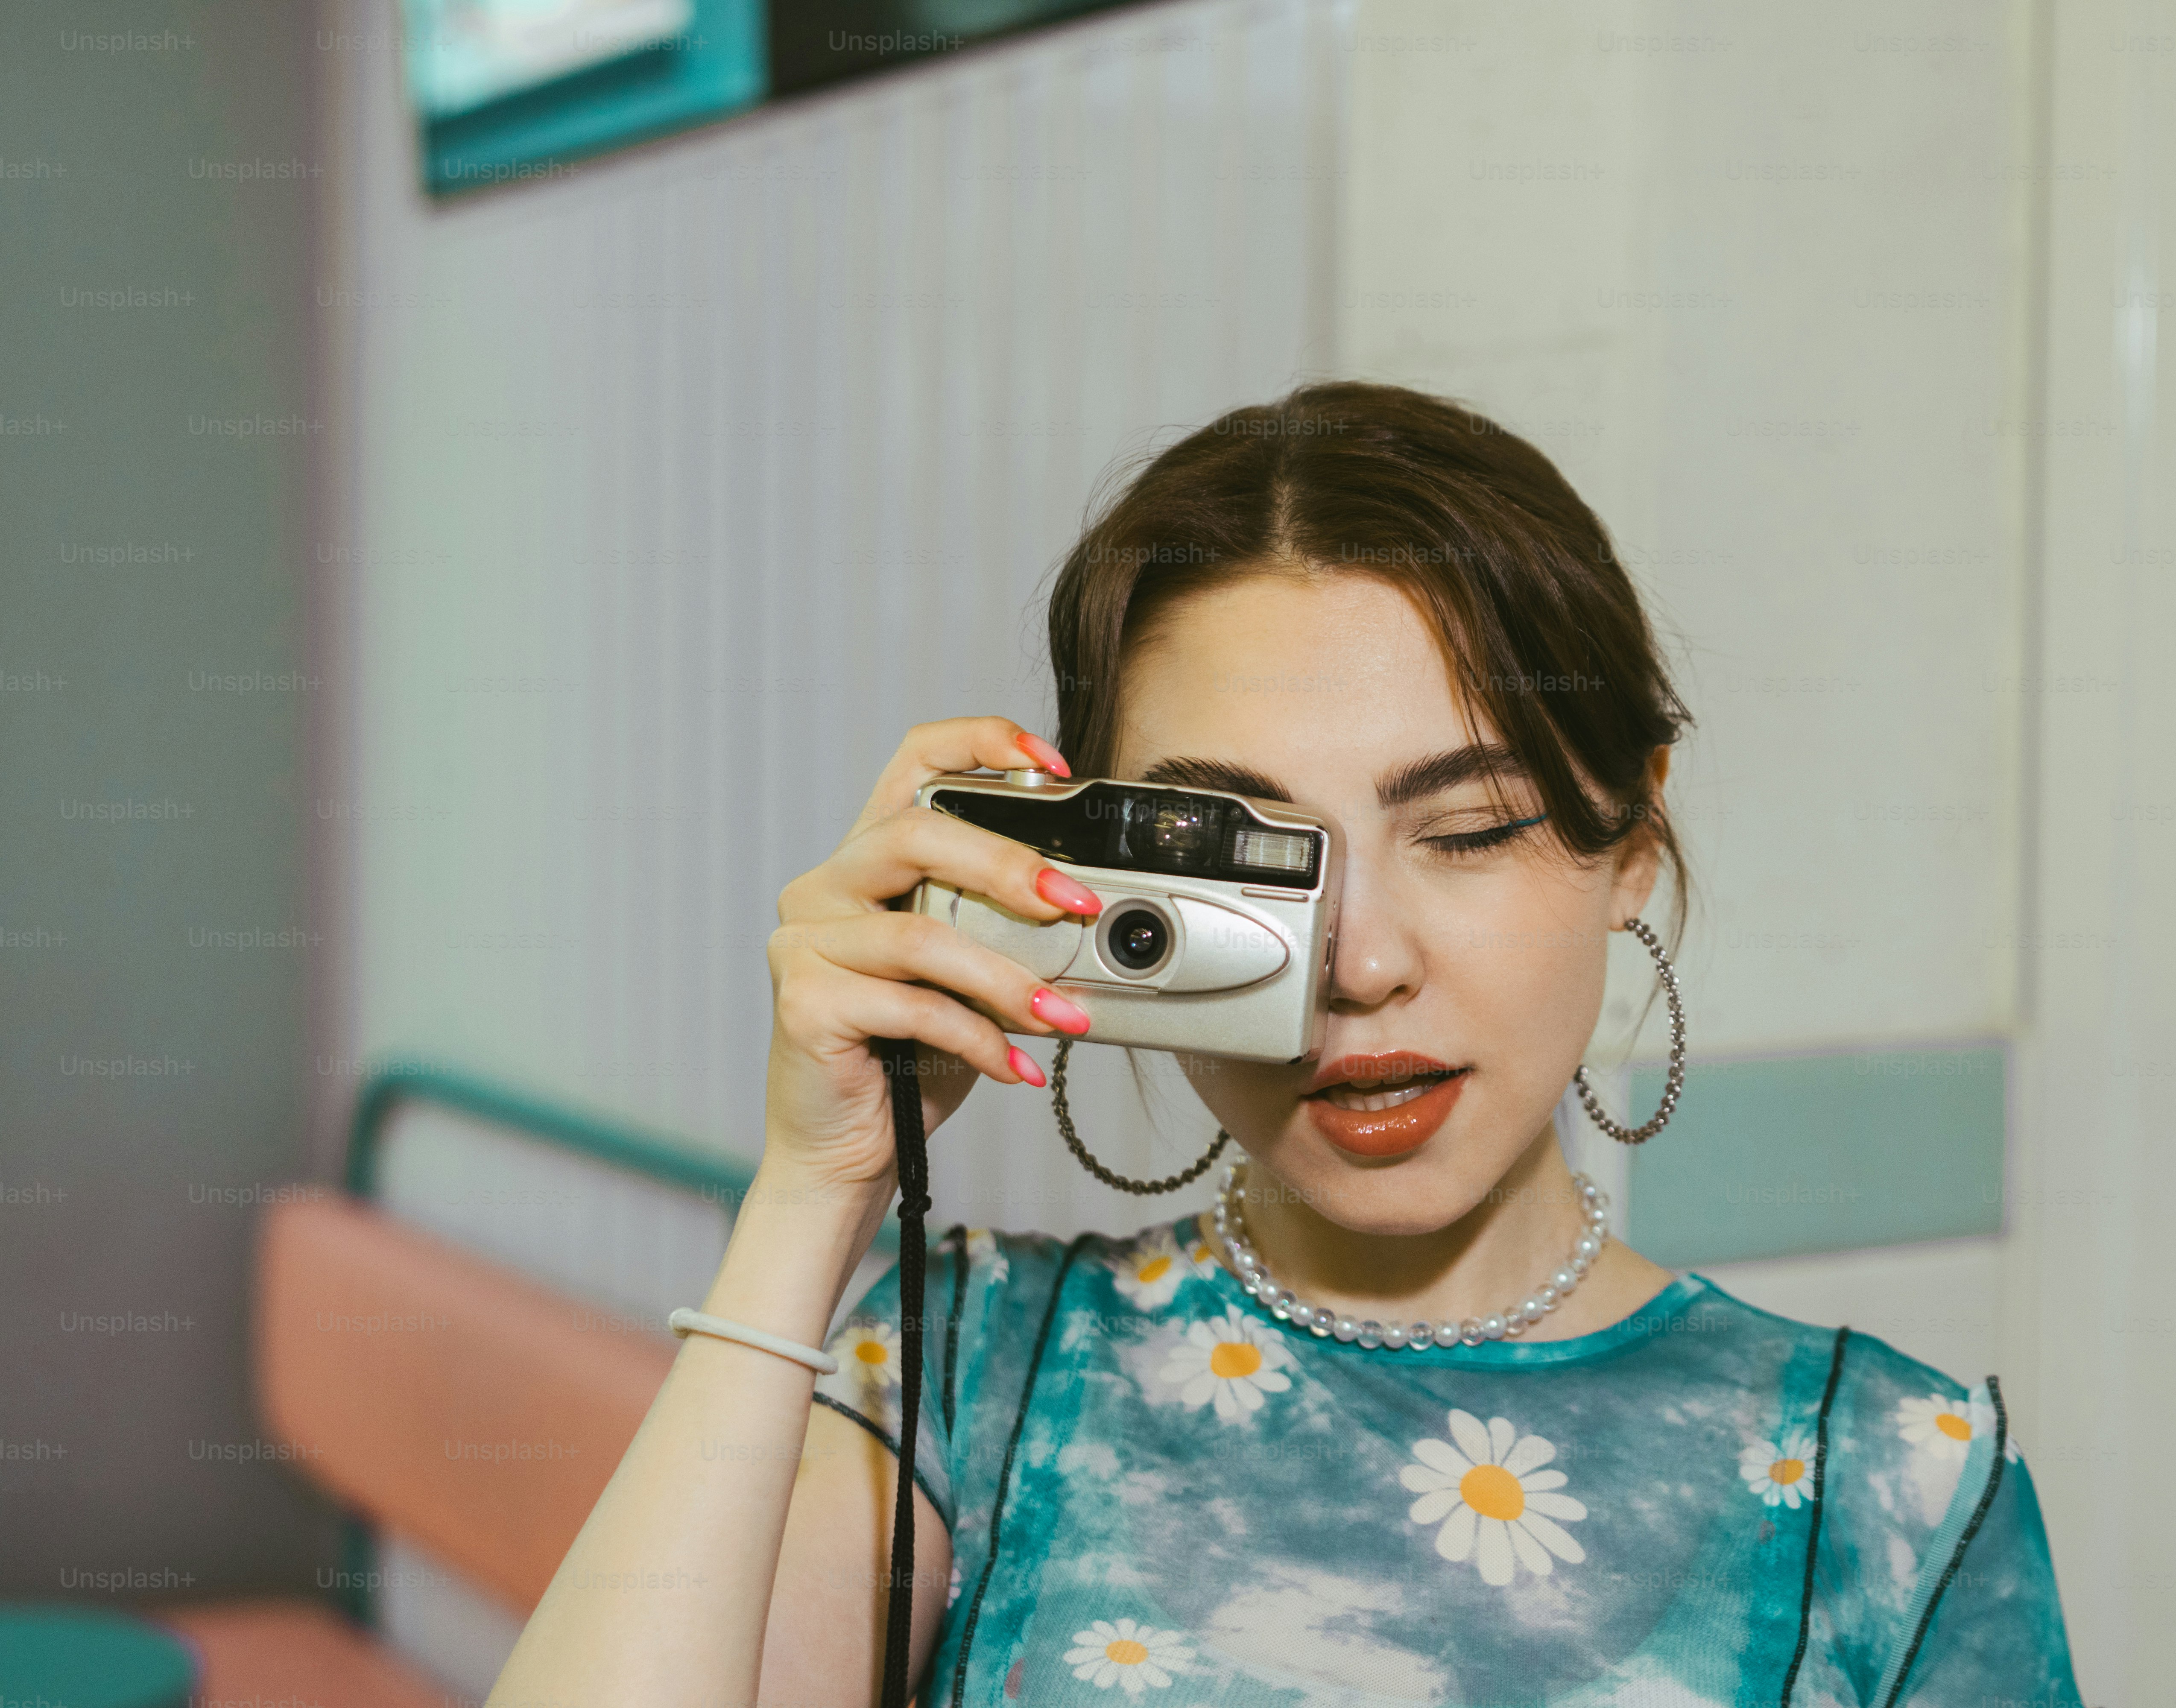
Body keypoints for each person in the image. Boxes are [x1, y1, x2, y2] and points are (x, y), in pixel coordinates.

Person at [489, 383, 2080, 1706]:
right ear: (1107, 889)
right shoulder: (967, 1375)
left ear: (1629, 844)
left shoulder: (1897, 1484)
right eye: (1252, 863)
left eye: (1467, 831)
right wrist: (811, 1190)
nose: (1362, 967)